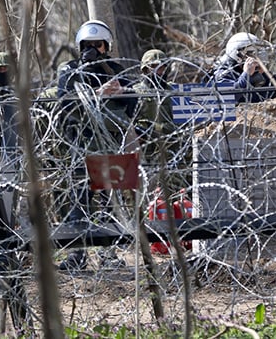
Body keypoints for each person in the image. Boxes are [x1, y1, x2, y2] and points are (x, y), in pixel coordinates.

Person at [55, 19, 136, 271]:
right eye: (87, 45)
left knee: (111, 204)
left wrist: (122, 92)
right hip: (80, 144)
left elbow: (134, 107)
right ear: (80, 46)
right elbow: (64, 102)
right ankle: (76, 258)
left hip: (110, 144)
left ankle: (109, 255)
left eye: (97, 44)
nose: (92, 49)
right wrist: (96, 94)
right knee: (79, 205)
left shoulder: (115, 70)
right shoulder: (69, 70)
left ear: (106, 45)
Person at [133, 49, 190, 194]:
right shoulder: (134, 93)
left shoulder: (174, 92)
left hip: (173, 152)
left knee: (176, 194)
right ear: (145, 70)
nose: (159, 71)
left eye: (163, 67)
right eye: (154, 67)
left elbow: (185, 124)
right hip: (146, 154)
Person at [209, 32, 275, 103]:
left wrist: (264, 74)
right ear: (237, 55)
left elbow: (274, 93)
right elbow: (230, 96)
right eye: (251, 53)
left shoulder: (253, 70)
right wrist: (246, 74)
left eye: (257, 53)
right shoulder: (222, 73)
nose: (255, 57)